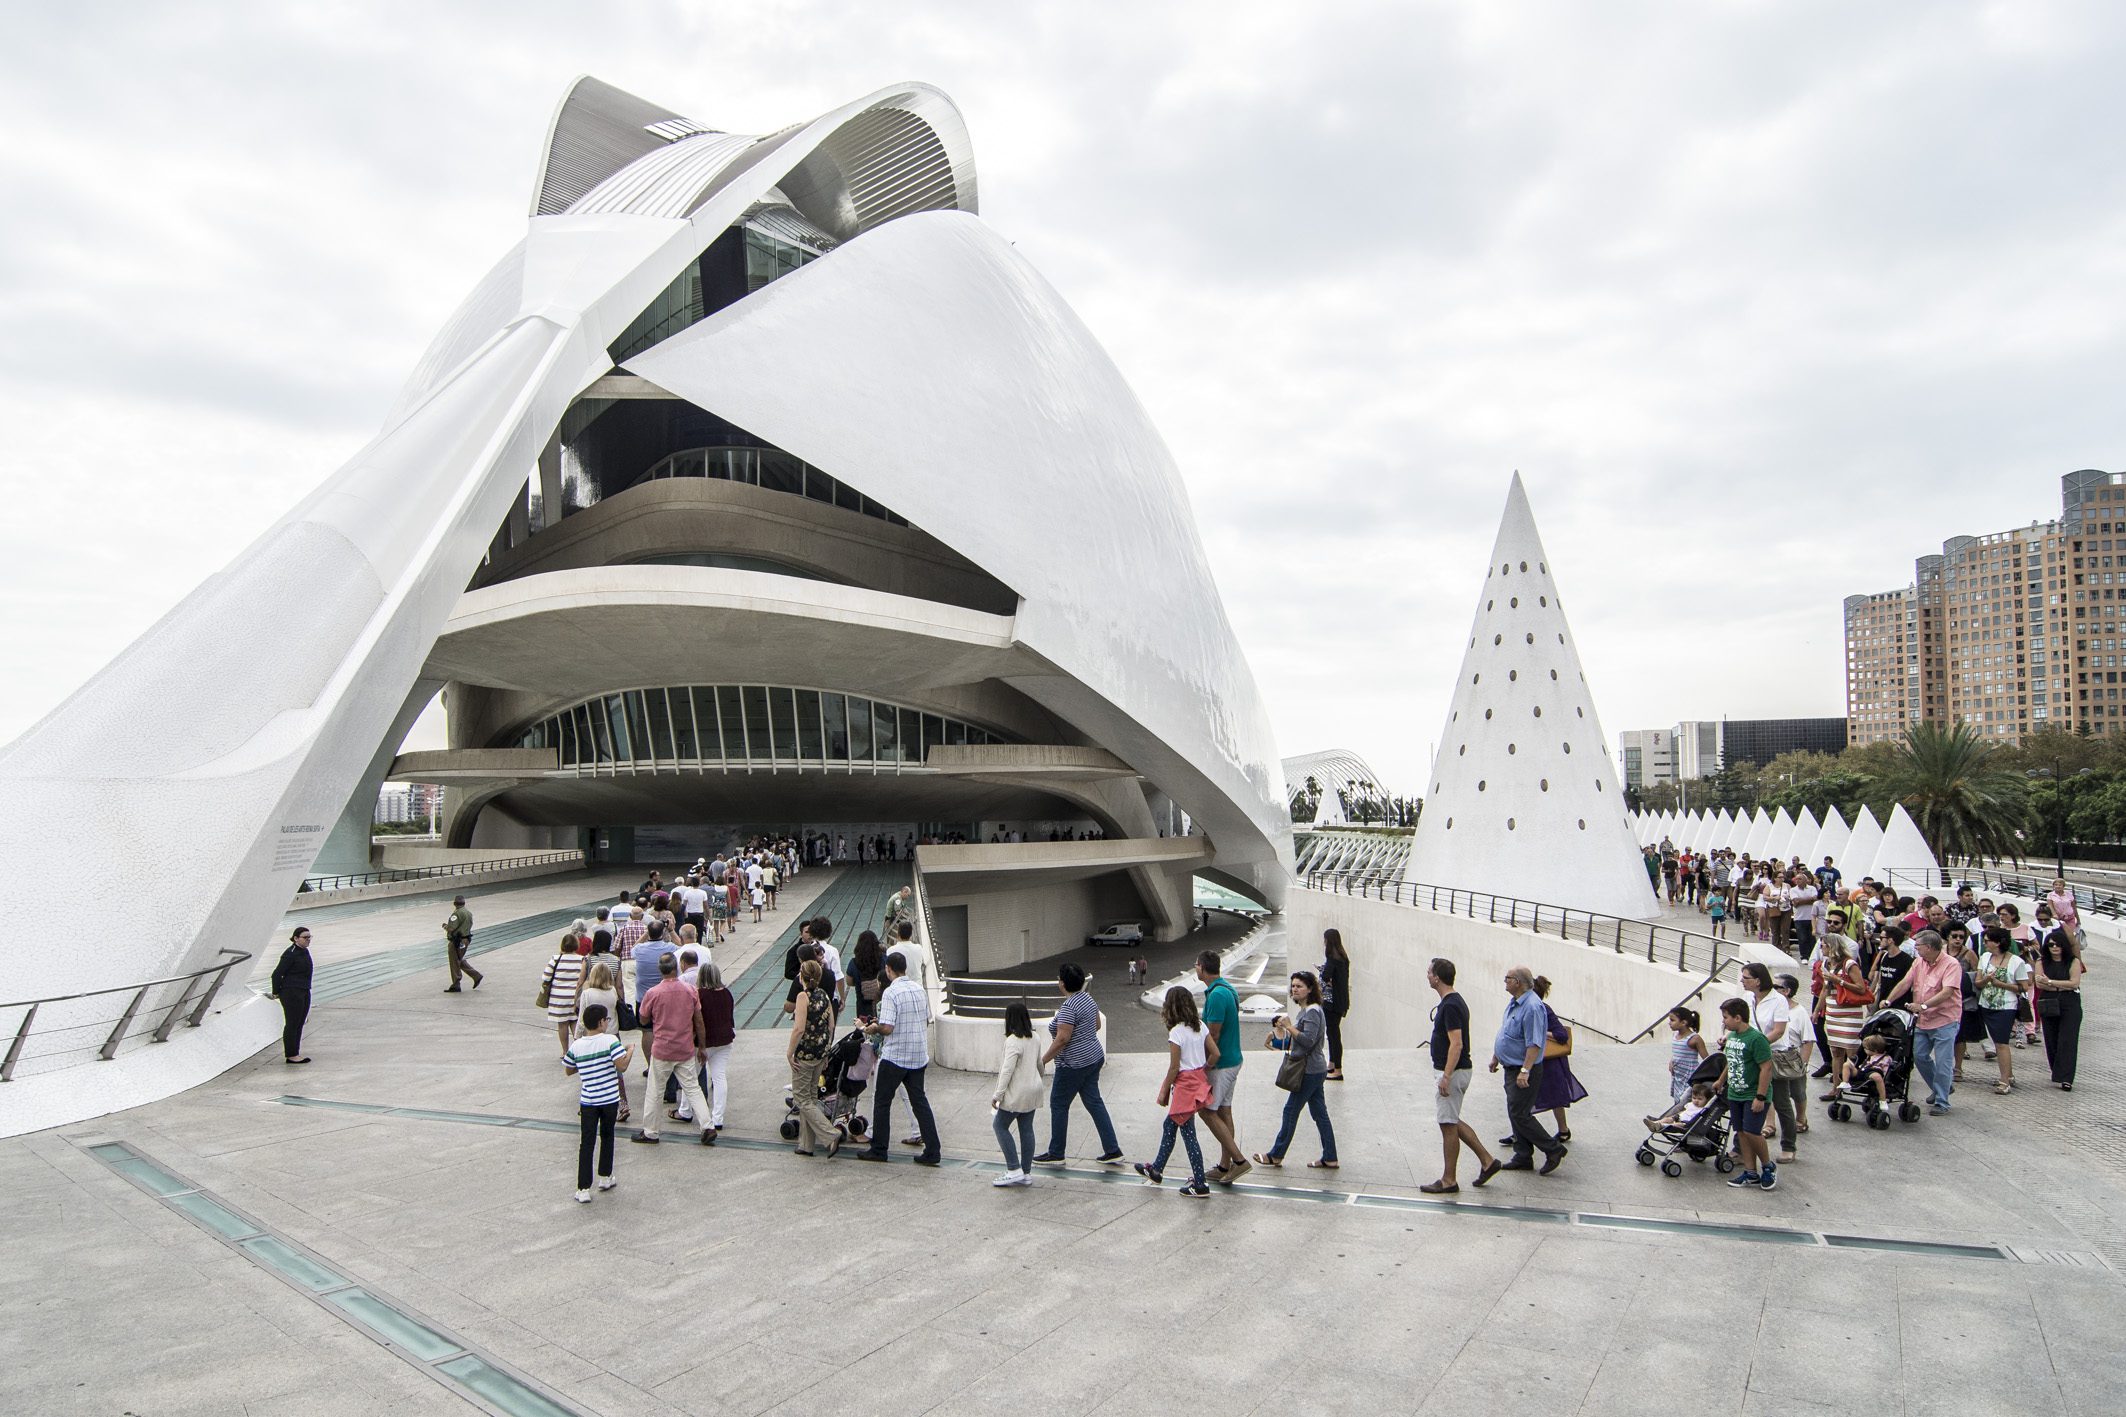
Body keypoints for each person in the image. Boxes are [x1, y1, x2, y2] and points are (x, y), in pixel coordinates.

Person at [1031, 963, 1125, 1167]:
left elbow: (1062, 1039)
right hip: (1093, 1058)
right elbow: (1096, 1024)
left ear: (1063, 984)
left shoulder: (1069, 1007)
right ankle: (1112, 1149)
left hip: (1073, 1064)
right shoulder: (1087, 999)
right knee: (1094, 1102)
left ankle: (1056, 1153)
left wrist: (1043, 1060)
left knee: (1058, 1103)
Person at [858, 951, 941, 1165]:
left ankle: (879, 1149)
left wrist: (873, 1028)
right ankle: (933, 1150)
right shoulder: (919, 989)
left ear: (888, 969)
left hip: (895, 1056)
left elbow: (887, 1028)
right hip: (918, 1055)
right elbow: (925, 1018)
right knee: (919, 1102)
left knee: (882, 1102)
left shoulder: (891, 993)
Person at [1423, 957, 1496, 1193]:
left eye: (1429, 972)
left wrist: (1446, 1076)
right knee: (1451, 1120)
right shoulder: (1452, 1002)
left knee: (1447, 1125)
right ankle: (1487, 1161)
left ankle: (1449, 1180)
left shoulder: (1451, 1005)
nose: (1427, 975)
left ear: (1437, 978)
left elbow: (1457, 1044)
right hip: (1456, 1071)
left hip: (1453, 1072)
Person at [1253, 971, 1338, 1170]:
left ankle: (1276, 1155)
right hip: (1314, 1068)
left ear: (1310, 989)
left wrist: (1290, 1027)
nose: (1295, 989)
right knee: (1320, 1114)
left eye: (1299, 986)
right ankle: (1330, 1157)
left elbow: (1308, 1041)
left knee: (1290, 1111)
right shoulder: (1307, 1010)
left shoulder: (1312, 1012)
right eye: (1293, 986)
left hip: (1309, 1070)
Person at [1134, 986, 1213, 1197]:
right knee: (1170, 1125)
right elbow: (1215, 1053)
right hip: (1198, 1082)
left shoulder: (1176, 1032)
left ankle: (1200, 1183)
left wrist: (1163, 1091)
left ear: (1171, 1007)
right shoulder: (1200, 1026)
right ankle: (1156, 1169)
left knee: (1188, 1134)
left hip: (1184, 1087)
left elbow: (1174, 1067)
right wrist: (1202, 1070)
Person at [1487, 966, 1564, 1176]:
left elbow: (1534, 1043)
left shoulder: (1532, 1007)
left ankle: (1553, 1149)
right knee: (1515, 1111)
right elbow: (1506, 1032)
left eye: (1508, 978)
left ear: (1518, 982)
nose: (1505, 981)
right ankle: (1522, 1155)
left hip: (1522, 1069)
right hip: (1510, 1066)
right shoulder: (1515, 1002)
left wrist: (1525, 1070)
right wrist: (1496, 1056)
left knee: (1520, 1114)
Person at [632, 952, 713, 1146]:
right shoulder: (690, 990)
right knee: (692, 1088)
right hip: (684, 1048)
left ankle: (651, 1131)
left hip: (662, 1049)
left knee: (655, 1091)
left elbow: (643, 1018)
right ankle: (707, 1126)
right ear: (677, 967)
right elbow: (699, 1021)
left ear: (660, 970)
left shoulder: (653, 993)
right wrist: (702, 1047)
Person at [1883, 930, 1962, 1115]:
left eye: (1918, 946)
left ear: (1928, 947)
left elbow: (1947, 992)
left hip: (1945, 1019)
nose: (1915, 949)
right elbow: (1905, 983)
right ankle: (1941, 1086)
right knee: (1919, 1056)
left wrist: (1923, 1006)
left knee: (1943, 1062)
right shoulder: (1919, 962)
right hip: (1923, 1020)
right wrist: (1888, 1000)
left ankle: (1942, 1101)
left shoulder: (1951, 964)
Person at [564, 1003, 632, 1202]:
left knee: (587, 1142)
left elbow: (568, 1069)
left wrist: (587, 1063)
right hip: (610, 1099)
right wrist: (630, 1051)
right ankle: (605, 1176)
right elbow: (622, 1066)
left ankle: (583, 1188)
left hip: (588, 1100)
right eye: (606, 1020)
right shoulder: (611, 1041)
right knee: (608, 1136)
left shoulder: (577, 1045)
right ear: (601, 1022)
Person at [1195, 951, 1249, 1184]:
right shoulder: (1226, 989)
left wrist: (1205, 1064)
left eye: (1196, 965)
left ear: (1202, 967)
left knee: (1207, 1111)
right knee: (1224, 1111)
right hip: (1232, 1059)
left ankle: (1239, 1161)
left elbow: (1213, 1035)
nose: (1195, 969)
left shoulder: (1217, 995)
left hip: (1221, 1064)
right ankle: (1225, 1165)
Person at [785, 959, 843, 1158]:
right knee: (810, 1098)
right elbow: (831, 1025)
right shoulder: (824, 995)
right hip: (820, 1054)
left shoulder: (803, 997)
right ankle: (806, 1144)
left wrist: (789, 1052)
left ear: (801, 977)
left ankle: (830, 1133)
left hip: (805, 1054)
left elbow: (799, 1028)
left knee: (801, 1099)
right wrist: (826, 1050)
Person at [1719, 997, 1777, 1190]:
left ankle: (1768, 1166)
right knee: (1742, 1132)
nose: (1724, 1021)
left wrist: (1760, 1097)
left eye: (1726, 1017)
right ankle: (1750, 1172)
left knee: (1752, 1132)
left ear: (1738, 1018)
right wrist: (1721, 1080)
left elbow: (1766, 1068)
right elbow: (1731, 1061)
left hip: (1752, 1094)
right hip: (1735, 1093)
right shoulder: (1732, 1037)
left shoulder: (1756, 1039)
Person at [990, 1002, 1046, 1187]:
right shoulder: (1035, 1037)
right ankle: (1026, 1172)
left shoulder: (1013, 1041)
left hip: (1017, 1093)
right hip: (1033, 1090)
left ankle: (1013, 1169)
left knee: (1000, 1126)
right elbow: (1039, 1064)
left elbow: (1007, 1070)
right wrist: (1037, 1078)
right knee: (1026, 1129)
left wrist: (998, 1095)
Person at [1526, 977, 1587, 1143]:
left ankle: (1562, 1130)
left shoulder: (1543, 1009)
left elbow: (1561, 1035)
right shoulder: (1526, 1008)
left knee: (1552, 1098)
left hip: (1549, 1063)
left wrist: (1541, 1033)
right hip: (1536, 1061)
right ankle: (1521, 1131)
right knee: (1528, 1098)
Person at [1975, 925, 2030, 1095]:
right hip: (1986, 1004)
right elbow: (1978, 982)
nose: (1985, 944)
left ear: (1997, 942)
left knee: (2001, 1043)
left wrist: (2001, 984)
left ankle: (2004, 1080)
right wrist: (1986, 980)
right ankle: (2009, 1074)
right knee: (1995, 1041)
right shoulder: (1985, 957)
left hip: (2006, 1006)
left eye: (1987, 941)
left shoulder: (2016, 961)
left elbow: (2024, 987)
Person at [1815, 934, 1871, 1096]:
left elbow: (1861, 988)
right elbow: (1825, 989)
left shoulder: (1849, 964)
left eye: (1824, 945)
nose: (1821, 948)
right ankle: (1836, 1087)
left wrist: (1839, 981)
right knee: (1836, 1051)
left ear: (1832, 946)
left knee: (1851, 1051)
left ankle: (1853, 1082)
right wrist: (1817, 1010)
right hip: (1833, 1012)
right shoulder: (1826, 964)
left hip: (1849, 1013)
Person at [576, 961, 628, 1122]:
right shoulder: (612, 991)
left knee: (592, 1069)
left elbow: (582, 1018)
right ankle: (623, 1103)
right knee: (616, 1070)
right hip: (613, 1033)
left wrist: (577, 1037)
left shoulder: (588, 994)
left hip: (593, 1035)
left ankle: (589, 1102)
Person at [2033, 928, 2085, 1090]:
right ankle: (2057, 1070)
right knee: (2052, 1038)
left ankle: (2066, 1077)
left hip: (2070, 1002)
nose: (2055, 948)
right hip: (2048, 1001)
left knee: (2068, 1039)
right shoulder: (2041, 962)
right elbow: (2039, 983)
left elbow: (2074, 983)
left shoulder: (2073, 961)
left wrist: (2051, 982)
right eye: (2051, 945)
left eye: (2058, 945)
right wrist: (2058, 985)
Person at [1644, 1006, 1708, 1129]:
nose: (1669, 1023)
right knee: (1678, 1100)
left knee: (1684, 1103)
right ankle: (1665, 1121)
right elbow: (1677, 1051)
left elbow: (1707, 1059)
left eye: (1672, 1020)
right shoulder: (1675, 1035)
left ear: (1684, 1022)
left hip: (1689, 1076)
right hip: (1678, 1075)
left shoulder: (1694, 1039)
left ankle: (1662, 1121)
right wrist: (1672, 1060)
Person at [696, 961, 735, 1133]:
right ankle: (718, 1117)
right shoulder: (726, 993)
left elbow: (698, 1021)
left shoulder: (700, 995)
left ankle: (685, 1110)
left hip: (704, 1042)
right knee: (719, 1077)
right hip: (725, 1040)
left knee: (691, 1078)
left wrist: (700, 1045)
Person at [269, 926, 314, 1064]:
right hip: (291, 992)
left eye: (309, 937)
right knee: (292, 1023)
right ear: (295, 938)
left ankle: (296, 1052)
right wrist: (276, 992)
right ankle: (291, 1054)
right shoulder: (290, 953)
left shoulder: (304, 951)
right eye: (305, 937)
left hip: (304, 990)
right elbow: (277, 974)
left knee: (300, 1021)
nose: (308, 940)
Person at [540, 936, 588, 1060]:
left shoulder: (555, 959)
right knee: (575, 1022)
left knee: (562, 1024)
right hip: (575, 997)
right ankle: (578, 1050)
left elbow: (545, 977)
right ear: (576, 945)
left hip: (559, 998)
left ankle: (565, 1051)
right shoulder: (582, 959)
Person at [1319, 928, 1351, 1081]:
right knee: (1333, 1034)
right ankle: (1332, 1064)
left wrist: (1322, 971)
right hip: (1342, 1000)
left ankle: (1338, 1070)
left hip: (1332, 1002)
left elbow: (1326, 977)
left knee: (1333, 1036)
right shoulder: (1343, 958)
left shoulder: (1332, 959)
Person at [1837, 1032, 1898, 1105]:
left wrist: (1885, 1075)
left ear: (1875, 1050)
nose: (1864, 1050)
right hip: (1863, 1071)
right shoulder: (1868, 1056)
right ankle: (1845, 1082)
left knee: (1876, 1076)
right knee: (1846, 1065)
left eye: (1866, 1048)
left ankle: (1882, 1100)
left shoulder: (1886, 1058)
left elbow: (1887, 1068)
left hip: (1874, 1072)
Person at [441, 894, 482, 992]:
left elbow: (451, 928)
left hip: (457, 941)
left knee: (454, 961)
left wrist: (445, 926)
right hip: (466, 939)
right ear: (464, 903)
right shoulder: (468, 913)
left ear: (454, 903)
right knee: (459, 959)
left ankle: (456, 984)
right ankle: (476, 976)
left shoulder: (456, 914)